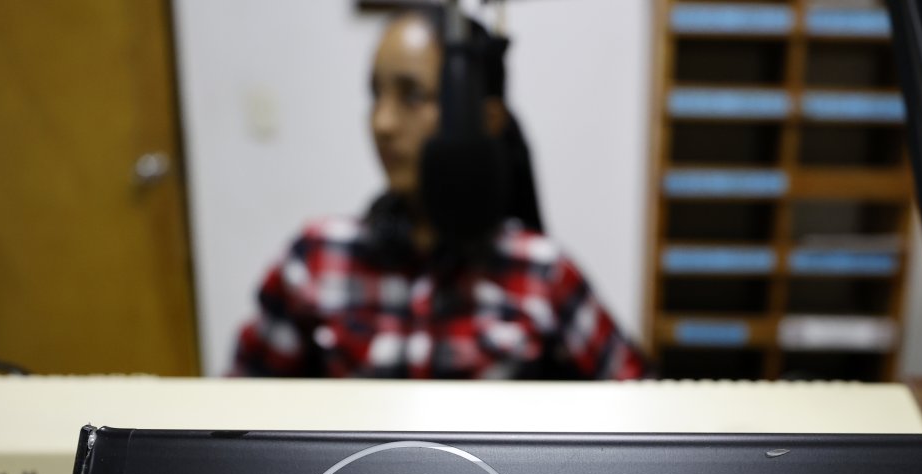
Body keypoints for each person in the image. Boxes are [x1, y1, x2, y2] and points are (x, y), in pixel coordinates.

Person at [232, 10, 647, 379]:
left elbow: (643, 408)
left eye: (411, 95)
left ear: (486, 118)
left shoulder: (541, 273)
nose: (382, 123)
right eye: (376, 94)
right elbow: (234, 414)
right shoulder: (319, 259)